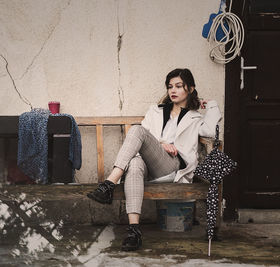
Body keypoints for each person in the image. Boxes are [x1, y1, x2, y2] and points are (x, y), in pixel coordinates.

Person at [87, 68, 222, 251]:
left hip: (173, 166)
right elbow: (143, 139)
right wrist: (162, 143)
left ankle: (110, 183)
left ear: (190, 89)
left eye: (178, 86)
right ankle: (134, 231)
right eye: (170, 86)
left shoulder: (195, 118)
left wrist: (211, 104)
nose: (172, 90)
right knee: (134, 163)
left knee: (136, 130)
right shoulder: (155, 111)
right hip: (151, 164)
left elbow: (210, 131)